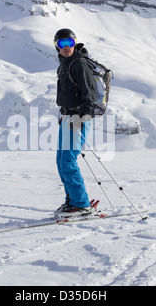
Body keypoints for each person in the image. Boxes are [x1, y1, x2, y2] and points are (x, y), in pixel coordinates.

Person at [53, 28, 98, 219]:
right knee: (61, 160)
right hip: (67, 118)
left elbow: (90, 93)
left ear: (75, 43)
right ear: (57, 46)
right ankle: (72, 200)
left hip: (78, 118)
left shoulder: (79, 64)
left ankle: (81, 204)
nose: (66, 47)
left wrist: (84, 116)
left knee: (68, 160)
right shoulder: (64, 65)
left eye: (70, 43)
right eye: (62, 44)